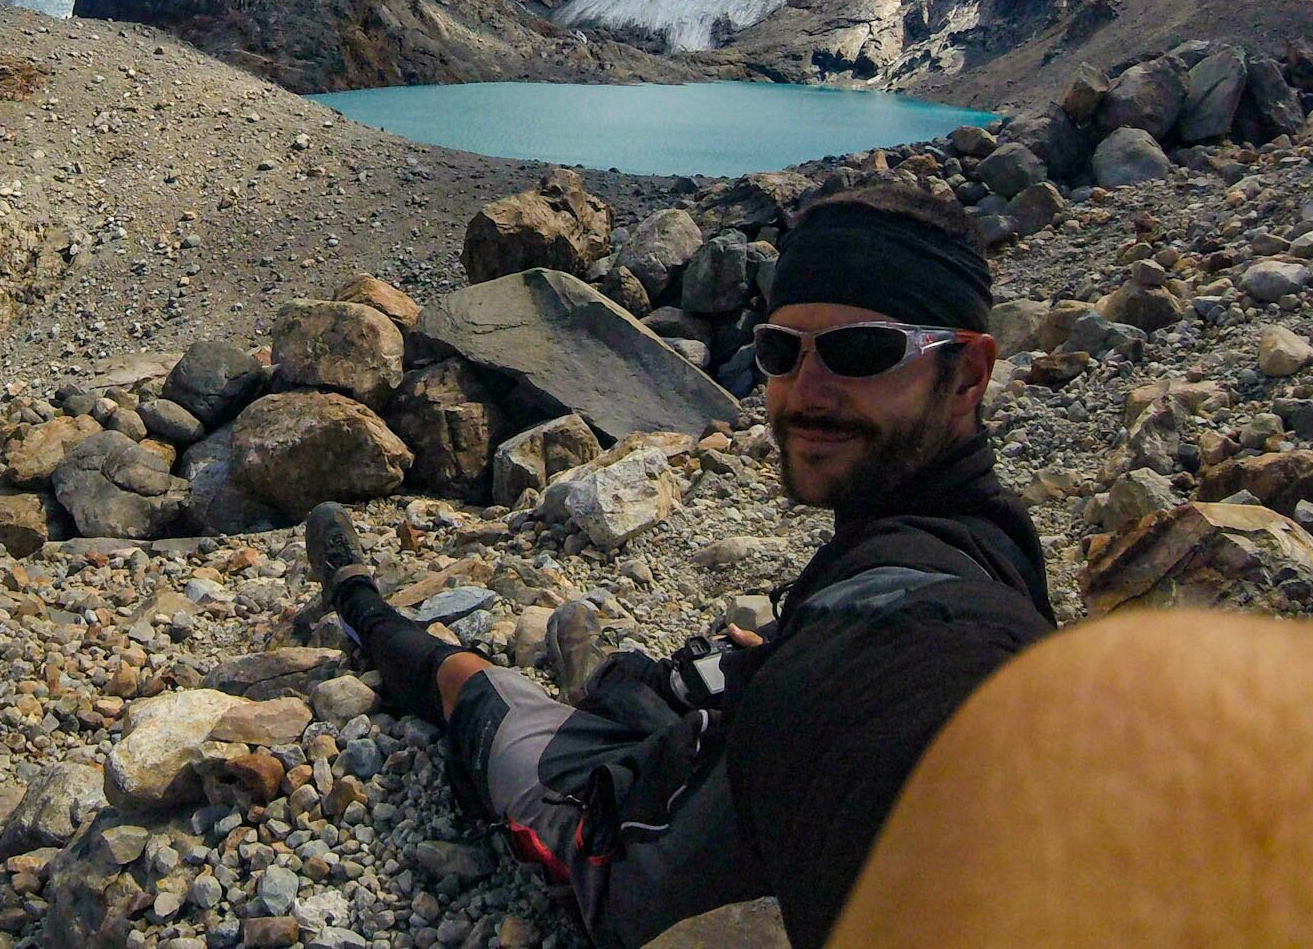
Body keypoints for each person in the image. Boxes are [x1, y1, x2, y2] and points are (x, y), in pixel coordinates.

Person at [300, 181, 1057, 949]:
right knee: (689, 675)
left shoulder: (932, 651)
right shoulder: (985, 534)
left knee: (473, 686)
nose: (805, 394)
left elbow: (920, 708)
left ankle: (361, 603)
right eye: (780, 351)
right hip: (725, 749)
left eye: (863, 351)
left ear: (968, 375)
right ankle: (605, 683)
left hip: (624, 843)